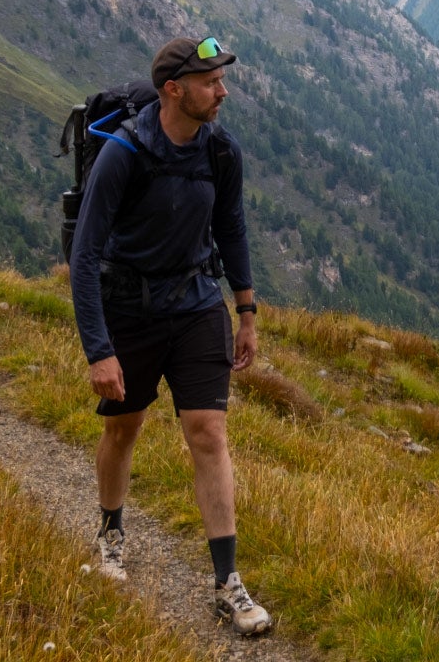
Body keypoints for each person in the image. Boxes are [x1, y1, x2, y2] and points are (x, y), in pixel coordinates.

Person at [68, 35, 272, 637]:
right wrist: (99, 349)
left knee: (207, 432)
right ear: (174, 90)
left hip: (196, 304)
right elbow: (85, 256)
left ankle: (226, 583)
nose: (223, 90)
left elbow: (230, 226)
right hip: (129, 307)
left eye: (221, 79)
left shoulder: (221, 152)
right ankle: (110, 537)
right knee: (122, 426)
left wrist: (247, 311)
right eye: (211, 82)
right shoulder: (124, 153)